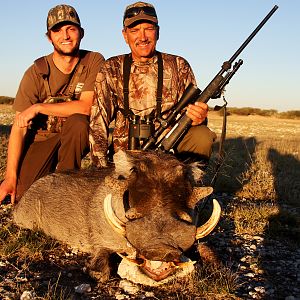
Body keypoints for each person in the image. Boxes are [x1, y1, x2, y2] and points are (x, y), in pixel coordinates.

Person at [89, 1, 216, 168]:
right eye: (134, 31)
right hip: (125, 157)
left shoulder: (178, 65)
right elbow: (98, 122)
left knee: (202, 136)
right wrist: (100, 167)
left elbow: (191, 116)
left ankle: (188, 188)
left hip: (167, 153)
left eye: (149, 29)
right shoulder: (111, 67)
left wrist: (199, 117)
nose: (142, 37)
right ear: (125, 35)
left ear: (158, 32)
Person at [0, 4, 104, 204]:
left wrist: (39, 107)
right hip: (43, 139)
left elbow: (85, 106)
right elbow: (19, 126)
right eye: (57, 30)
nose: (65, 36)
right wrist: (10, 177)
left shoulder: (93, 61)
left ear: (81, 33)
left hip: (75, 136)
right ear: (49, 37)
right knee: (23, 196)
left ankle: (67, 187)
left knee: (79, 122)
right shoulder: (36, 72)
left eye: (70, 29)